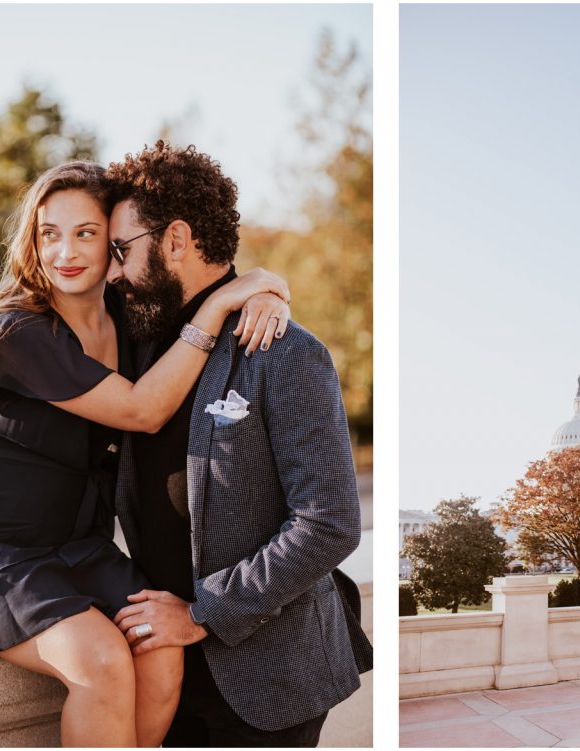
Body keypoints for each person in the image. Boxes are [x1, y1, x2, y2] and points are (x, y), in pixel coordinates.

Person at [0, 160, 291, 747]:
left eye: (86, 233)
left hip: (76, 546)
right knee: (102, 664)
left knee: (160, 653)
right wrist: (220, 307)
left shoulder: (131, 324)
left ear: (115, 243)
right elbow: (143, 410)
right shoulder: (21, 330)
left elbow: (208, 279)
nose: (64, 252)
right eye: (49, 233)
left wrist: (269, 289)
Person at [98, 141, 372, 747]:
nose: (111, 271)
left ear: (176, 240)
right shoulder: (130, 344)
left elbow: (328, 524)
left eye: (120, 250)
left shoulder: (287, 354)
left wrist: (201, 615)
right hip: (157, 668)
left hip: (269, 685)